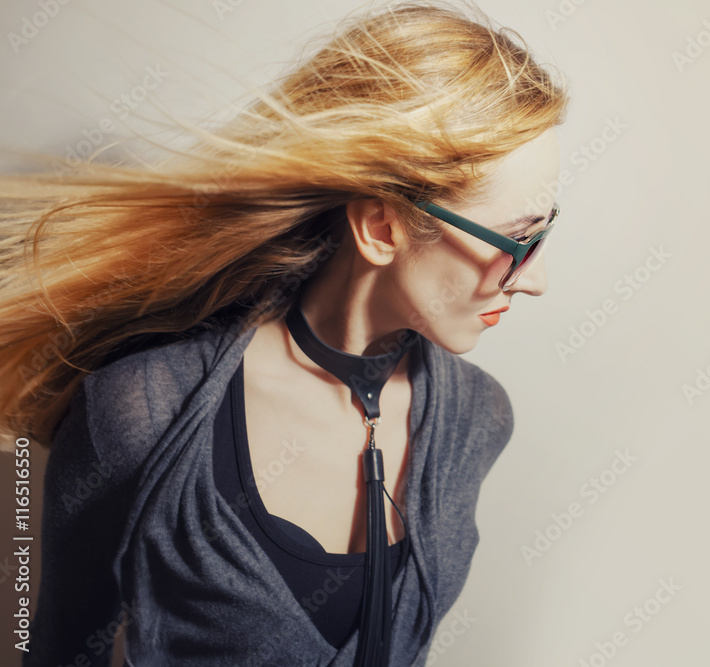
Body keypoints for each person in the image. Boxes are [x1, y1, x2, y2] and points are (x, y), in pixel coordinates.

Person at [0, 1, 569, 664]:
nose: (537, 281)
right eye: (519, 241)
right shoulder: (140, 413)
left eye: (545, 231)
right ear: (381, 228)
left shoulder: (477, 417)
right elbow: (60, 650)